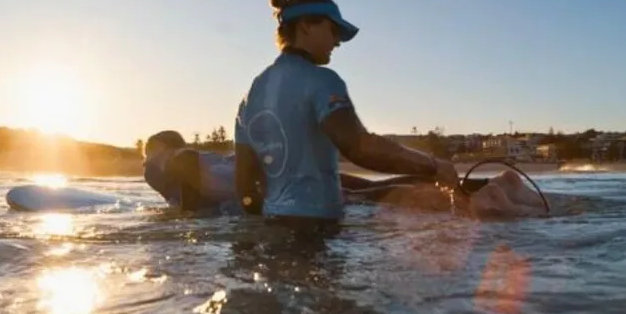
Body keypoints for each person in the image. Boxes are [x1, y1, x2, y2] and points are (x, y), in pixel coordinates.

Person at [232, 0, 546, 226]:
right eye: (333, 30)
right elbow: (359, 148)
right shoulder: (321, 80)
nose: (338, 42)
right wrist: (432, 165)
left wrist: (267, 225)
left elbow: (245, 185)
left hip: (274, 226)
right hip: (319, 228)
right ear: (306, 26)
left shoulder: (251, 94)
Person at [143, 129, 548, 218]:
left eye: (150, 152)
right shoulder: (205, 159)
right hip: (291, 174)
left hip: (281, 190)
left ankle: (483, 200)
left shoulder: (172, 159)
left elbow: (170, 165)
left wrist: (186, 215)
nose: (149, 161)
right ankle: (489, 188)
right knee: (375, 191)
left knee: (371, 200)